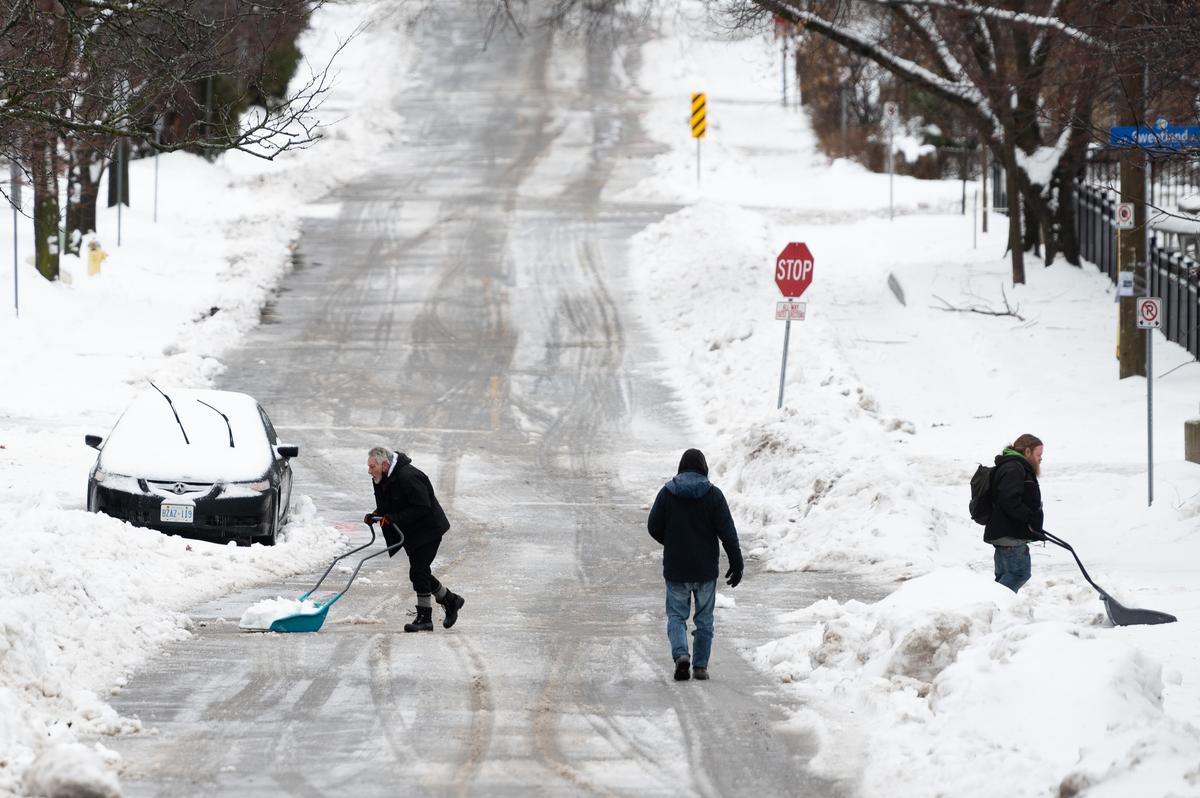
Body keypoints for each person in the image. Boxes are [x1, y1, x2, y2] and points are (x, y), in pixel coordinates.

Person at [647, 448, 744, 682]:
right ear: (704, 468)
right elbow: (728, 533)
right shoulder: (714, 495)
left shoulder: (667, 493)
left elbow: (653, 526)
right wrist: (736, 562)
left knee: (677, 617)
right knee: (704, 620)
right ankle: (700, 666)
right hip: (705, 571)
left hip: (676, 568)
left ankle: (681, 655)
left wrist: (671, 541)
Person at [366, 447, 465, 632]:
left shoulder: (408, 476)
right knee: (419, 573)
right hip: (413, 531)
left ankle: (425, 618)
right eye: (369, 467)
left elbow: (423, 506)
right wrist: (375, 515)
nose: (369, 471)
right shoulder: (380, 478)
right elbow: (386, 504)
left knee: (419, 572)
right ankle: (450, 600)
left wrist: (395, 518)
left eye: (372, 467)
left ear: (385, 464)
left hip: (429, 529)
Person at [983, 434, 1046, 593]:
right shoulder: (1014, 468)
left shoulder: (1011, 466)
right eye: (1038, 455)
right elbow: (1008, 500)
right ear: (1027, 452)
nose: (1040, 459)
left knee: (1005, 576)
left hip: (1005, 533)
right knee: (1019, 574)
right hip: (1010, 535)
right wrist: (1030, 519)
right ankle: (994, 604)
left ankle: (997, 609)